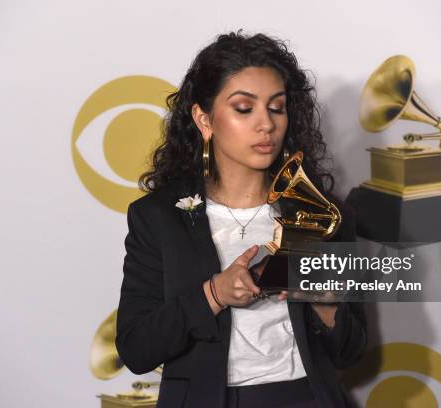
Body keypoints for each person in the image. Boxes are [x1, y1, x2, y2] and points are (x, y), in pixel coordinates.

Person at [115, 30, 367, 408]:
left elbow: (351, 351)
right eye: (244, 109)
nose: (265, 124)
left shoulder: (321, 214)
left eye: (277, 107)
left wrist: (324, 302)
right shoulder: (156, 218)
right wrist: (213, 294)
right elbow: (136, 348)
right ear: (204, 119)